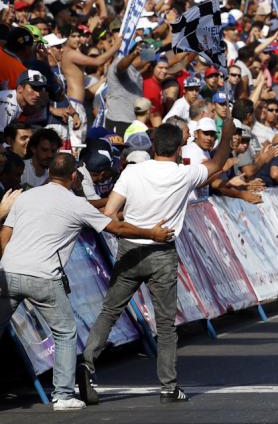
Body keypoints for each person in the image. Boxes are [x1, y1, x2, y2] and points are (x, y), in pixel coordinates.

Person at [0, 153, 174, 411]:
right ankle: (63, 396)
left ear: (49, 173)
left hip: (8, 272)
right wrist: (152, 233)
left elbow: (5, 233)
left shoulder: (27, 196)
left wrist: (9, 262)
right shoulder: (76, 203)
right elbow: (117, 229)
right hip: (44, 277)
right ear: (73, 177)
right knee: (65, 333)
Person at [79, 119, 235, 405]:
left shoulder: (132, 171)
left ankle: (87, 362)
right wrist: (226, 135)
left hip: (129, 248)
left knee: (110, 311)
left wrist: (132, 224)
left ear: (153, 145)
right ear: (178, 149)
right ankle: (168, 386)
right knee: (165, 325)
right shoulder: (184, 174)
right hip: (161, 252)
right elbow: (220, 162)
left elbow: (110, 212)